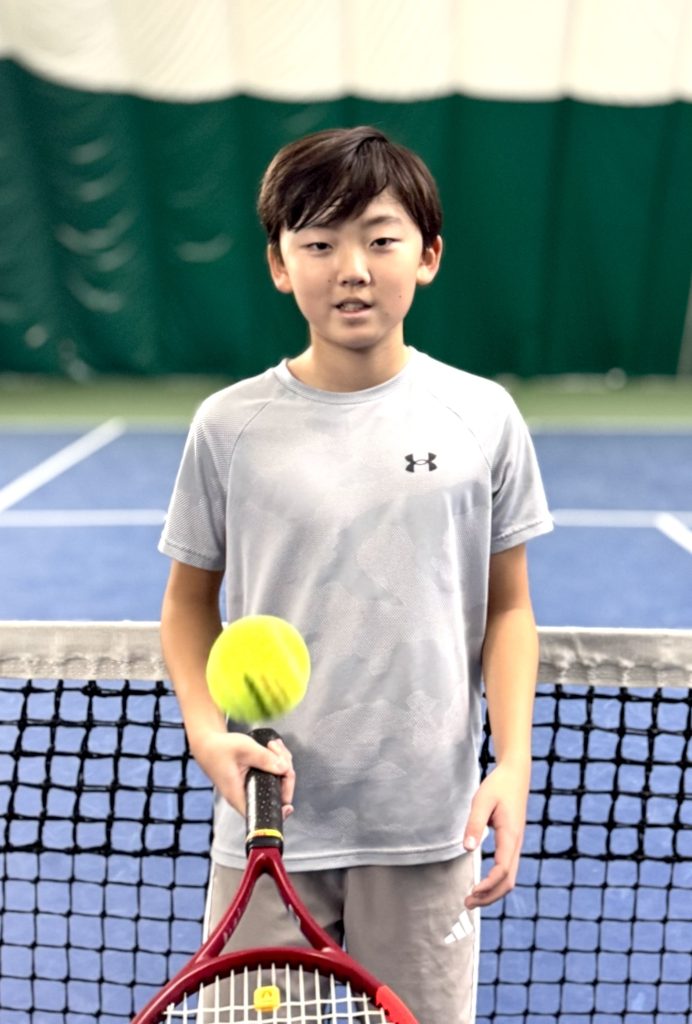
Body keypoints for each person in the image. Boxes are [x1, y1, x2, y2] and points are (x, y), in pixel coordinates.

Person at [158, 125, 553, 1023]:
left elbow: (509, 609)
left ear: (429, 255)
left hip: (428, 827)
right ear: (279, 264)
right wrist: (206, 735)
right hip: (268, 822)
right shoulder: (228, 427)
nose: (352, 269)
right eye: (319, 244)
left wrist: (513, 763)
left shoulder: (482, 417)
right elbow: (186, 606)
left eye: (380, 239)